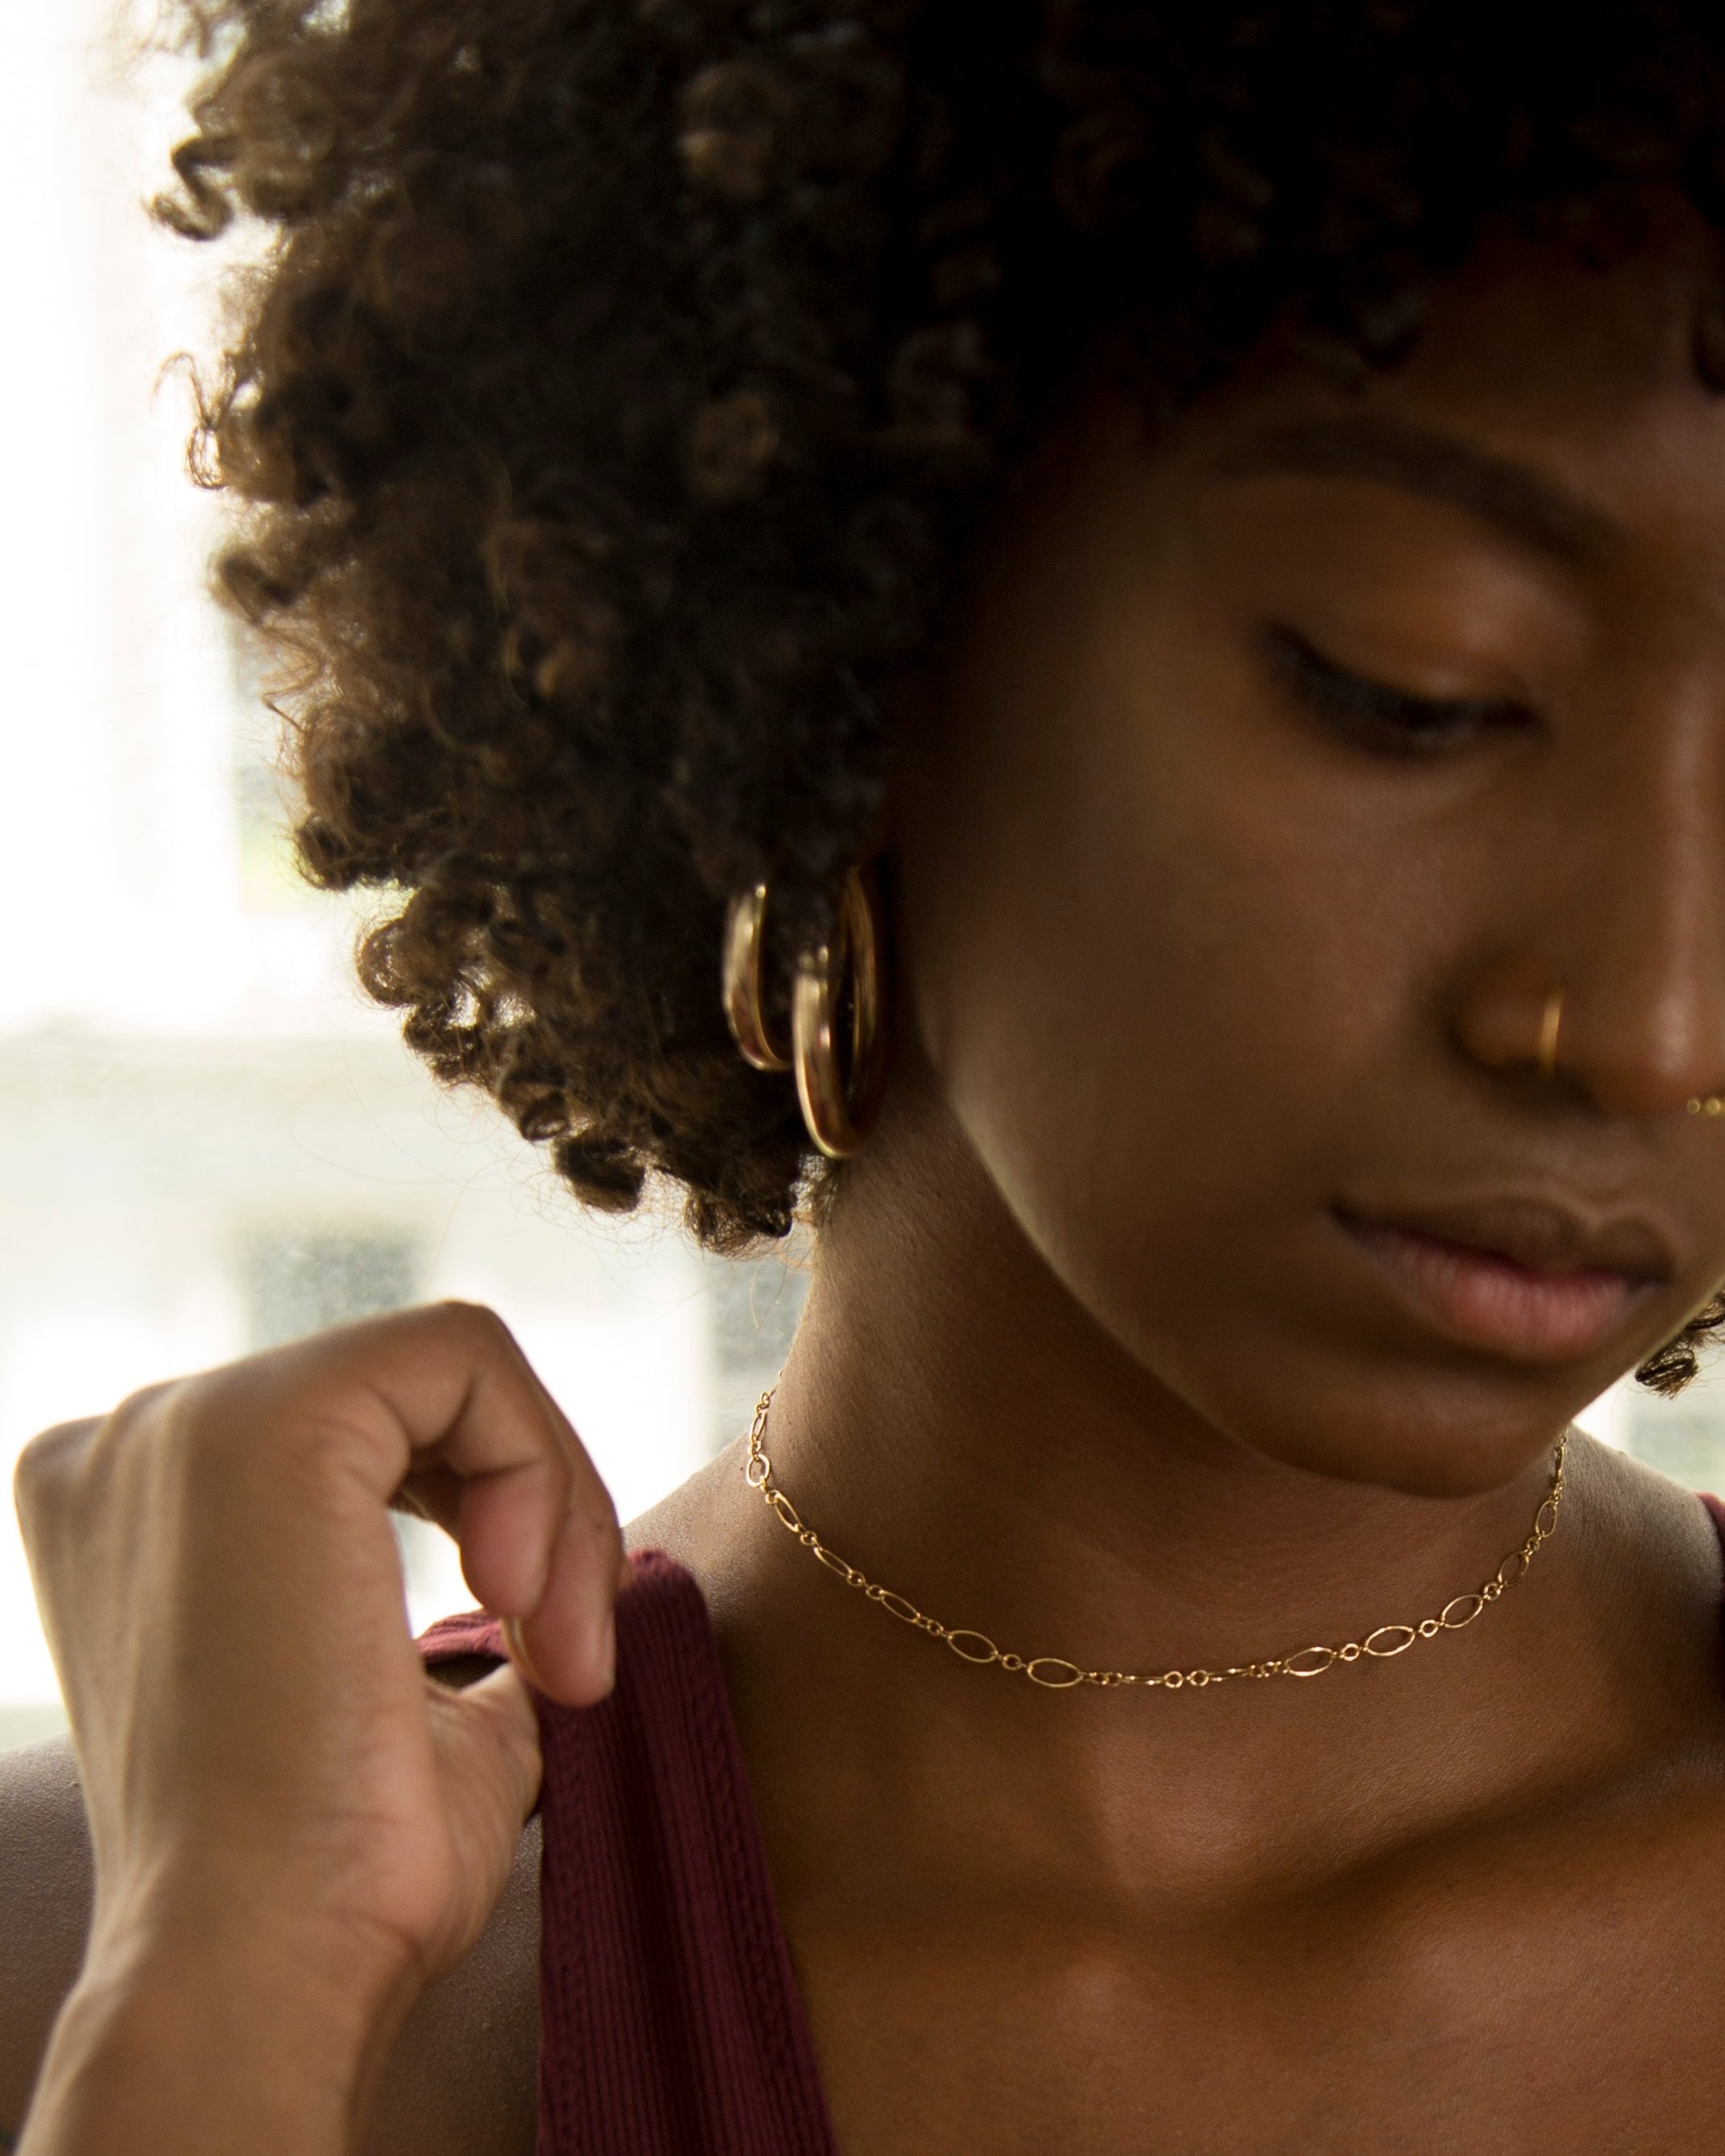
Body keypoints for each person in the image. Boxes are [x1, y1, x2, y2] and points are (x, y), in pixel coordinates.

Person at [10, 1, 1725, 2147]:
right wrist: (217, 1992)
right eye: (1412, 685)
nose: (1662, 1025)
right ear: (837, 614)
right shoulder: (103, 1965)